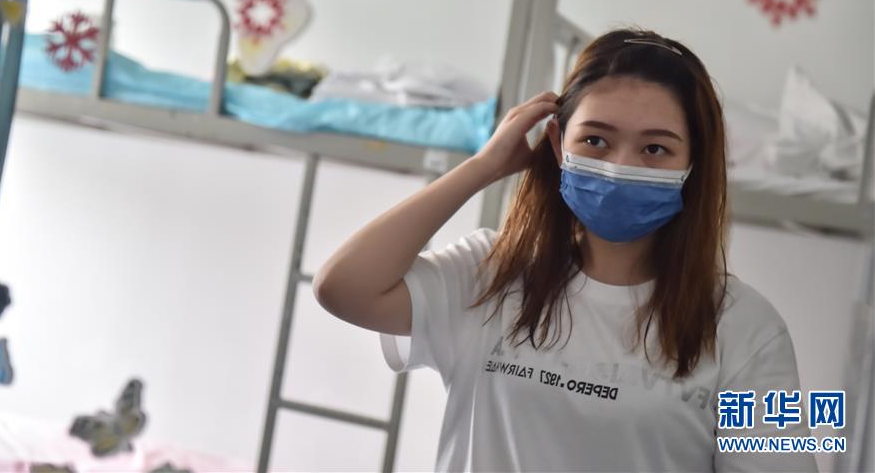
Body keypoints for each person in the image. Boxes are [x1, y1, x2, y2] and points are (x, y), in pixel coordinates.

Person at [313, 28, 819, 472]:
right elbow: (341, 287)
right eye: (596, 140)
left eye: (655, 149)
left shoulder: (747, 327)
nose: (620, 166)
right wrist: (483, 167)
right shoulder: (490, 272)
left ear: (694, 164)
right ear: (557, 144)